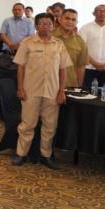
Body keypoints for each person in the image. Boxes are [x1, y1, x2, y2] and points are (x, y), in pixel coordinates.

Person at [13, 13, 71, 170]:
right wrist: (20, 88)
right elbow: (21, 67)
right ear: (36, 26)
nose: (46, 26)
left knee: (50, 126)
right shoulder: (27, 43)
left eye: (49, 23)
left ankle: (46, 156)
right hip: (31, 90)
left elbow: (63, 70)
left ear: (53, 26)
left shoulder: (58, 44)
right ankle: (21, 154)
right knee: (27, 124)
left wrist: (61, 91)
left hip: (52, 92)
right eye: (42, 23)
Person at [79, 4, 105, 89]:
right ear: (93, 13)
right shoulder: (85, 28)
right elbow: (82, 50)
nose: (102, 13)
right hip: (89, 68)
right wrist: (96, 64)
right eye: (99, 11)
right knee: (87, 94)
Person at [53, 9, 88, 89]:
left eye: (73, 20)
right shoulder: (49, 37)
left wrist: (78, 87)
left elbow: (81, 66)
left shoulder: (80, 41)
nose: (70, 22)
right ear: (60, 19)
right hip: (49, 85)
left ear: (76, 23)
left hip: (70, 85)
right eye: (67, 18)